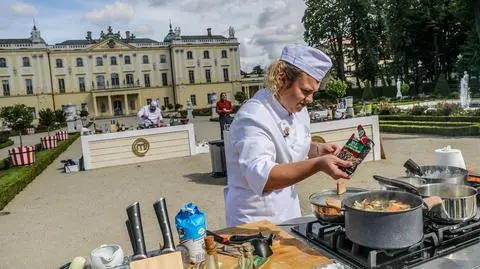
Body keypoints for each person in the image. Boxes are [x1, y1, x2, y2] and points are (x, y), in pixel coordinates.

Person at [224, 44, 353, 227]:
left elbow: (289, 145)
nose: (310, 100)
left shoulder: (298, 109)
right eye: (305, 91)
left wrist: (317, 150)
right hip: (255, 220)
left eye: (313, 93)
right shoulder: (253, 116)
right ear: (282, 78)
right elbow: (263, 177)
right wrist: (317, 165)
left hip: (289, 211)